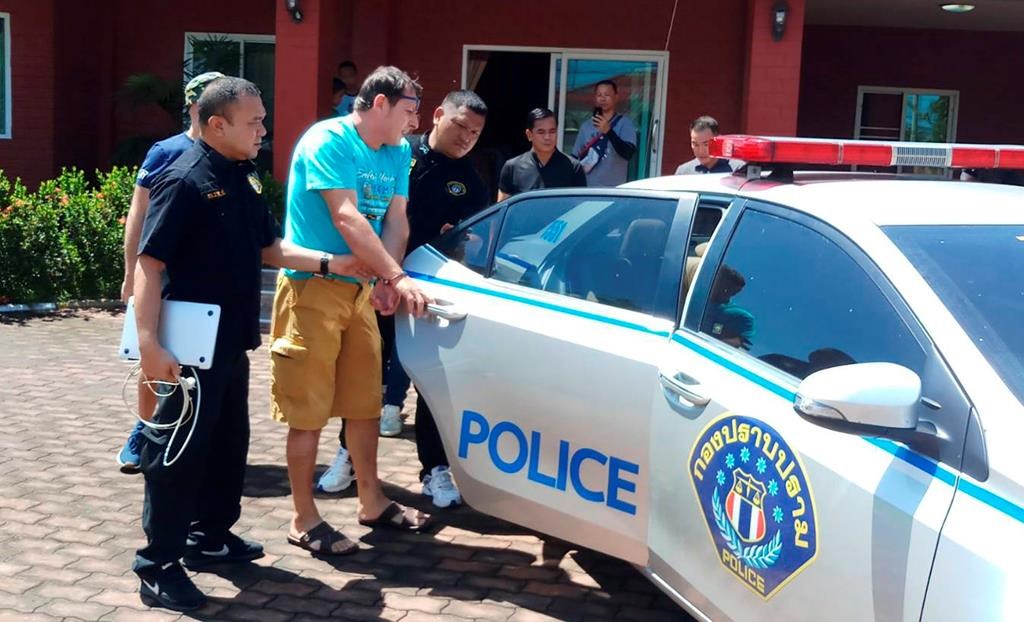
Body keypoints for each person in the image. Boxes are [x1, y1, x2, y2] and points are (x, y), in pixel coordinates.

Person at [131, 76, 372, 612]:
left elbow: (270, 248)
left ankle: (208, 538)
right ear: (217, 125)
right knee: (176, 458)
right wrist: (149, 344)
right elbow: (150, 264)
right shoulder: (185, 179)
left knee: (226, 445)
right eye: (254, 121)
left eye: (263, 118)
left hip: (230, 342)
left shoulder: (240, 176)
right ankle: (158, 566)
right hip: (188, 350)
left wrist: (332, 263)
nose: (264, 129)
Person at [272, 66, 433, 558]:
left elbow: (396, 218)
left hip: (360, 291)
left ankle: (372, 501)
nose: (414, 123)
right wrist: (396, 278)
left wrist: (387, 277)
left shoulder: (399, 150)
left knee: (364, 404)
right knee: (309, 413)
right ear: (380, 103)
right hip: (310, 290)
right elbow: (347, 216)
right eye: (409, 111)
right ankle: (304, 518)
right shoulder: (330, 140)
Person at [318, 90, 490, 510]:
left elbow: (474, 243)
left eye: (476, 132)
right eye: (460, 125)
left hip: (429, 293)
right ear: (436, 116)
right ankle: (350, 456)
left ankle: (435, 470)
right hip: (377, 283)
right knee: (364, 374)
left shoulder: (472, 180)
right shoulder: (398, 155)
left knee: (432, 385)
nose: (466, 137)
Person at [116, 71, 225, 475]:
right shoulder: (165, 152)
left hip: (203, 280)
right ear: (194, 106)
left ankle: (194, 434)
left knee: (198, 361)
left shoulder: (231, 156)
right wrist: (131, 274)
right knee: (152, 356)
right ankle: (145, 430)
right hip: (159, 271)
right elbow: (138, 214)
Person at [497, 107, 586, 201]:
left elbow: (580, 207)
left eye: (552, 131)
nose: (547, 137)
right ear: (529, 135)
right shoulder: (512, 167)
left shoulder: (573, 168)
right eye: (541, 132)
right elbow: (503, 208)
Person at [572, 80, 637, 187]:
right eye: (599, 95)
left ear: (616, 97)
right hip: (588, 187)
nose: (603, 98)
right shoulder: (586, 126)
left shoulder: (625, 123)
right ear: (595, 98)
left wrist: (608, 131)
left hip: (615, 188)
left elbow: (628, 153)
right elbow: (575, 157)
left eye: (607, 95)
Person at [675, 115, 743, 175]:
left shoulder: (738, 170)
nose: (701, 151)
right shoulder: (683, 172)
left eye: (706, 144)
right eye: (695, 144)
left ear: (718, 141)